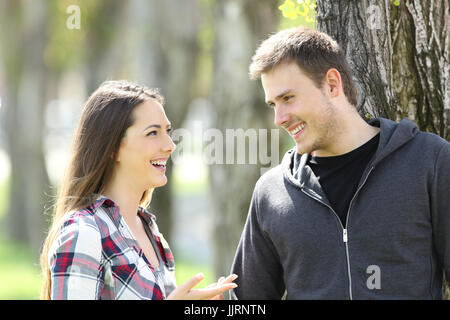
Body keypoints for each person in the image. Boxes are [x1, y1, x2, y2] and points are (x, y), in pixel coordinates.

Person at [230, 26, 450, 299]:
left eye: (288, 98)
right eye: (273, 104)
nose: (280, 118)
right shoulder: (271, 192)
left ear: (332, 84)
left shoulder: (429, 162)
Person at [40, 80, 237, 300]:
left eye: (167, 131)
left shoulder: (148, 229)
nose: (169, 145)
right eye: (153, 133)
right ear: (113, 148)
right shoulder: (84, 233)